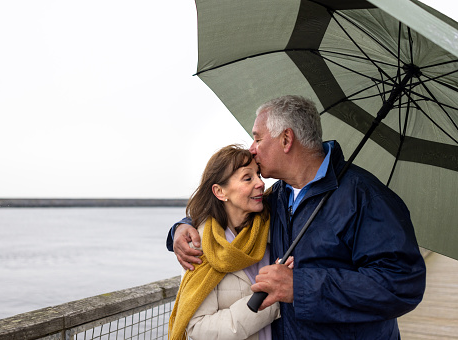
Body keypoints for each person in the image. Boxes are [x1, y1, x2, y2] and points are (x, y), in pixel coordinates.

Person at [167, 95, 426, 339]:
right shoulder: (276, 197)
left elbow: (402, 283)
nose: (252, 149)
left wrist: (300, 287)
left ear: (286, 139)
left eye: (258, 139)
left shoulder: (367, 197)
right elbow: (226, 209)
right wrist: (181, 227)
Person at [168, 144, 293, 340]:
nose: (260, 183)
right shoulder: (200, 246)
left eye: (258, 174)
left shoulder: (273, 227)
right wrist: (269, 302)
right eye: (247, 178)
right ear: (220, 192)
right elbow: (198, 327)